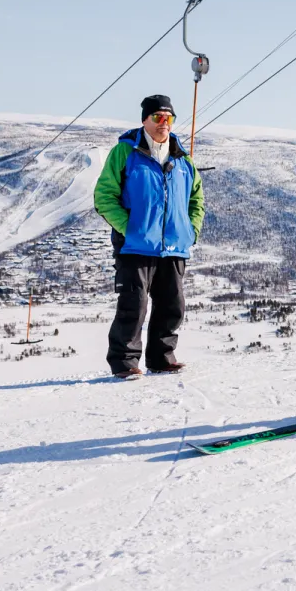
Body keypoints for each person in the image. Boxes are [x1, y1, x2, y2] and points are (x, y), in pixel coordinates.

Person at [93, 95, 204, 379]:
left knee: (172, 305)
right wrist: (130, 228)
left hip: (174, 245)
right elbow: (104, 196)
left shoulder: (182, 158)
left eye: (168, 117)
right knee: (134, 304)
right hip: (135, 245)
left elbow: (196, 199)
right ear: (144, 120)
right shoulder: (125, 152)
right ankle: (124, 362)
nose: (163, 122)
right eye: (157, 117)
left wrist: (190, 231)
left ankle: (162, 358)